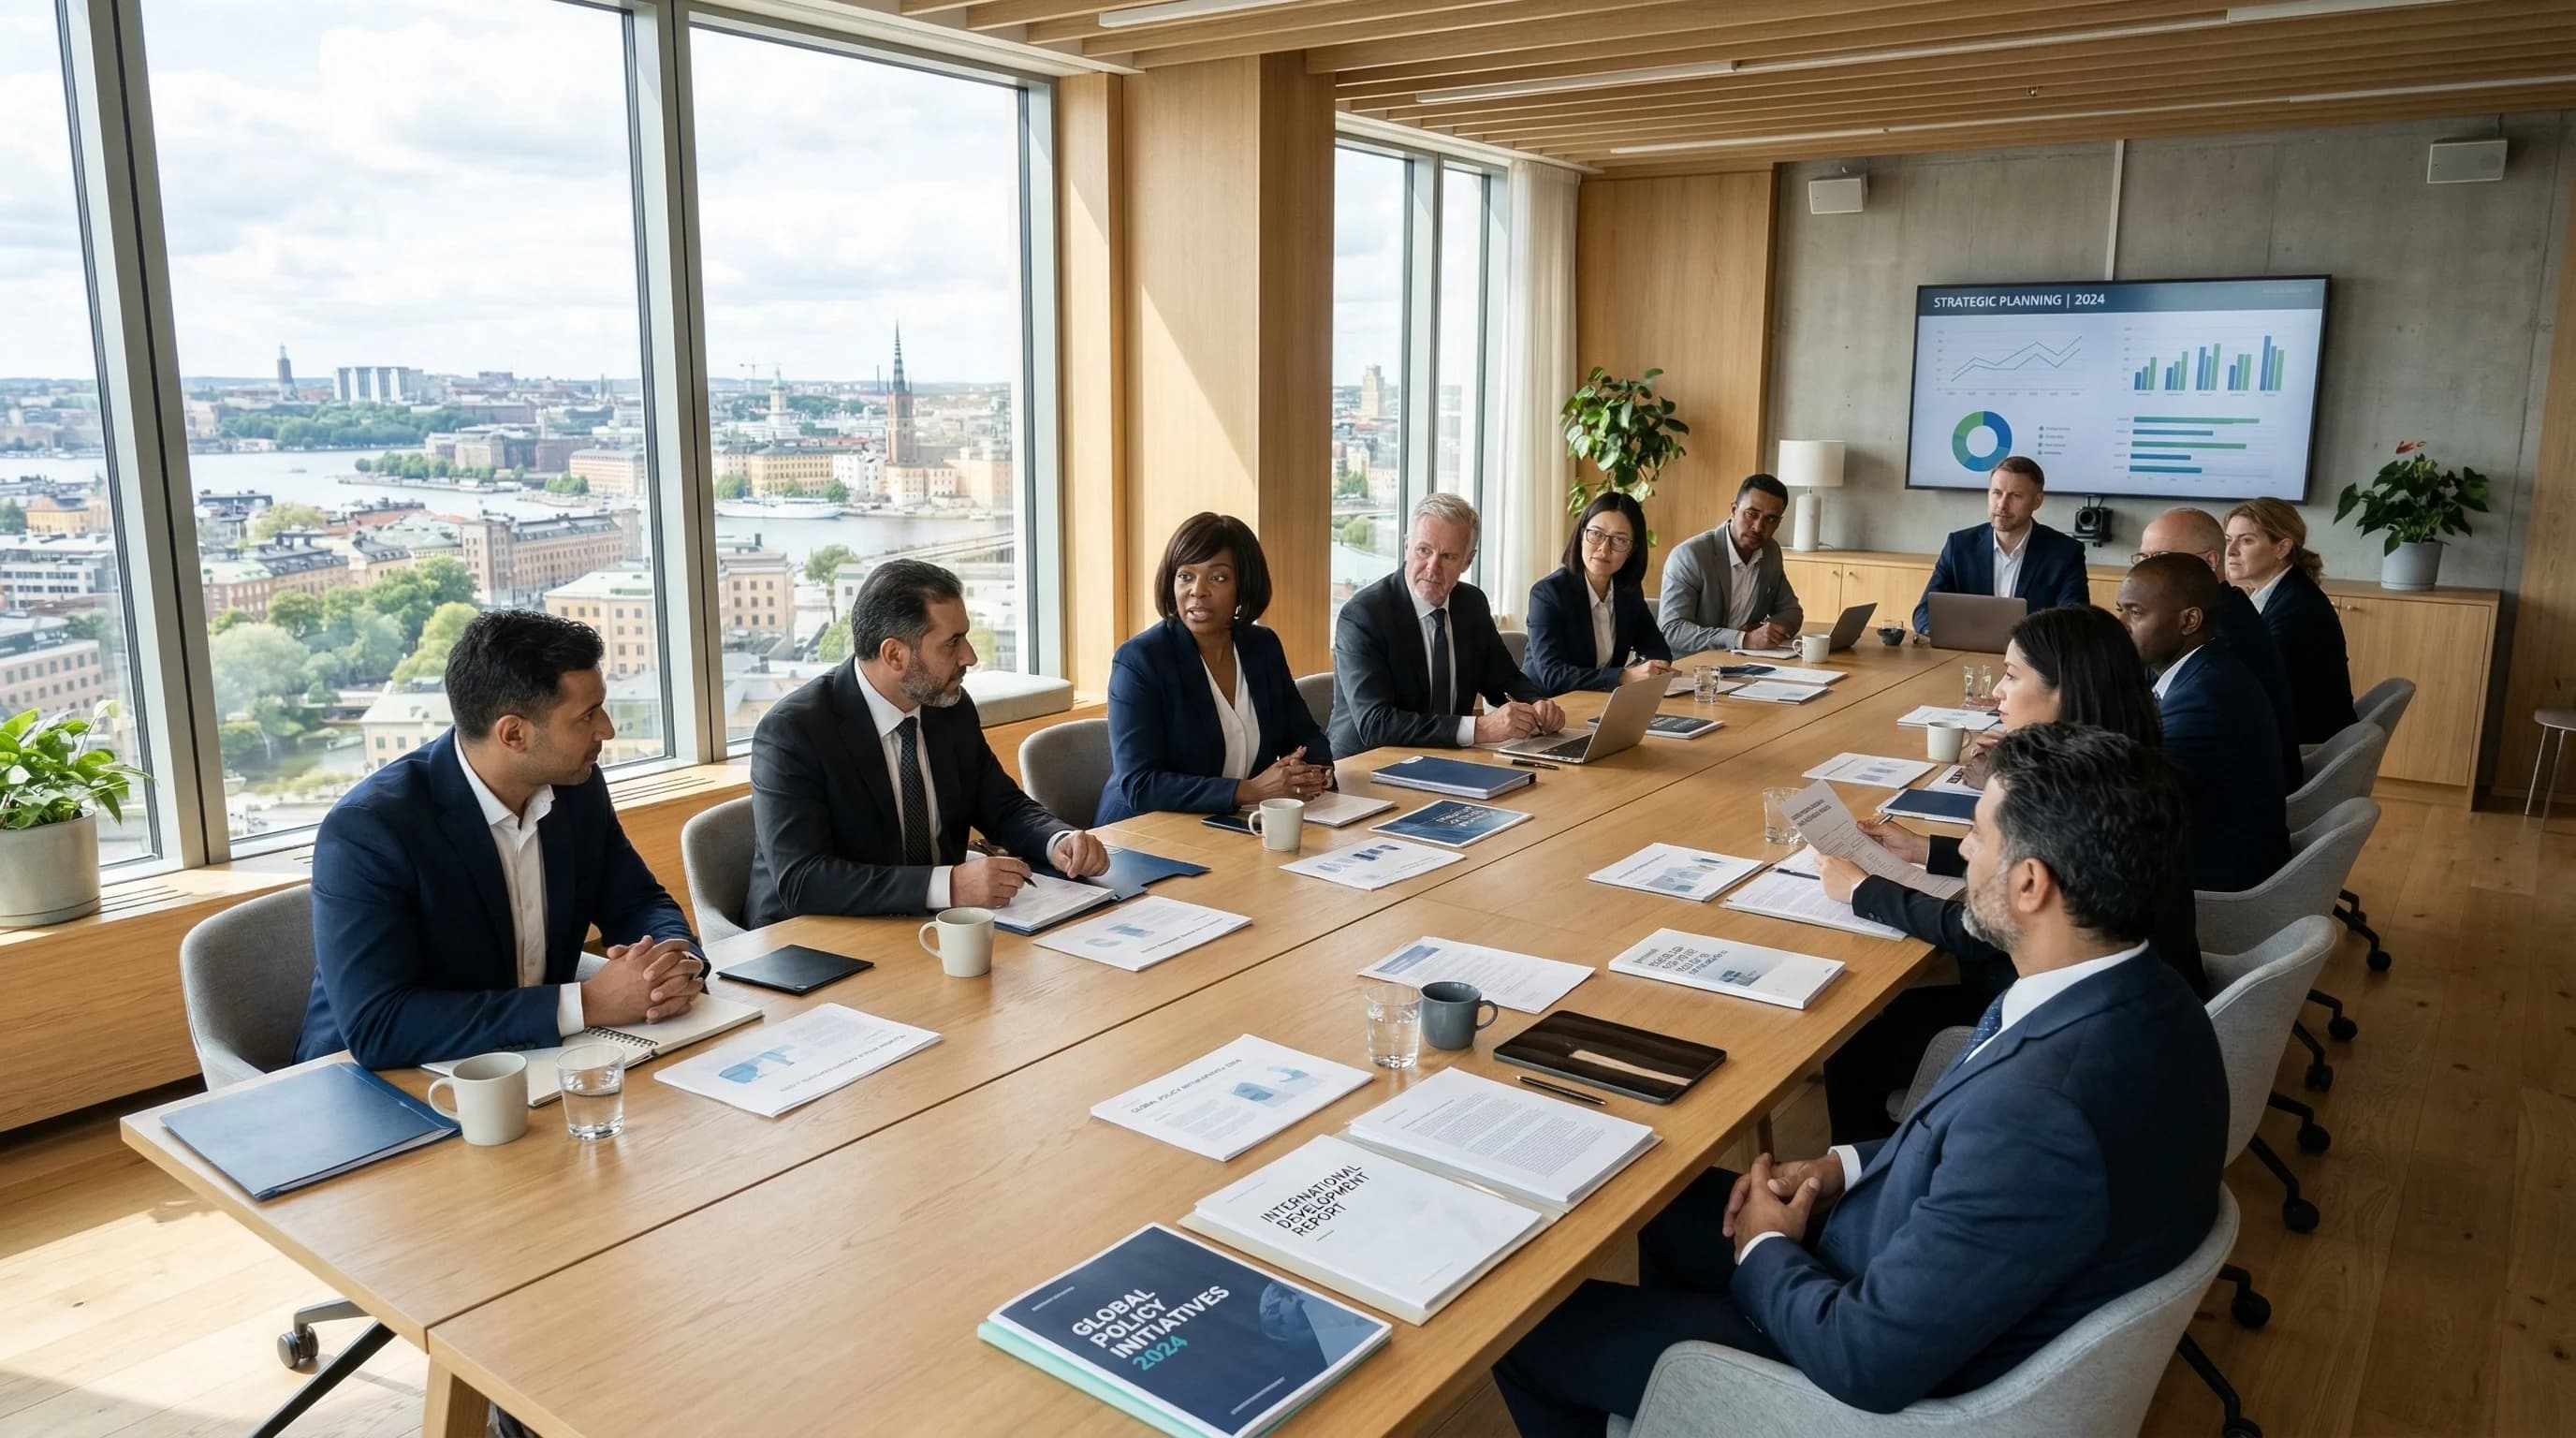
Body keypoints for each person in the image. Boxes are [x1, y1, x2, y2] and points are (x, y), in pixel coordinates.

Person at [1492, 725, 2228, 1435]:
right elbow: (1967, 1152)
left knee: (1525, 1332)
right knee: (1660, 1205)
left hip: (1867, 1376)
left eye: (1977, 834)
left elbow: (1864, 1358)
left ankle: (1712, 1388)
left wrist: (1766, 1251)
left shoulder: (2043, 1116)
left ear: (2031, 883)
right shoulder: (2144, 993)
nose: (1963, 851)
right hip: (1914, 1262)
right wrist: (1840, 1166)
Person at [1811, 606, 2208, 1144]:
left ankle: (1882, 1160)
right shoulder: (2122, 768)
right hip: (2129, 995)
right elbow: (2034, 865)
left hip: (2052, 1011)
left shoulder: (2083, 794)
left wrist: (1862, 890)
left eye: (2012, 675)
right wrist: (1926, 849)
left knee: (1857, 1031)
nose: (1997, 691)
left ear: (2065, 691)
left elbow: (1978, 931)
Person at [297, 609, 703, 1069]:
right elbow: (380, 1025)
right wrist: (586, 1003)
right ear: (514, 733)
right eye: (587, 715)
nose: (606, 730)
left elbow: (636, 903)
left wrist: (674, 964)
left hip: (527, 1059)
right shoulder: (370, 830)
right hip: (373, 1085)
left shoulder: (577, 787)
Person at [745, 559, 1110, 926]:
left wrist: (1057, 839)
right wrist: (948, 885)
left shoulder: (949, 706)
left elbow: (1002, 806)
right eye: (952, 643)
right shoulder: (793, 732)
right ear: (894, 655)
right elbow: (803, 879)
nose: (970, 656)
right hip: (811, 940)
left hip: (929, 926)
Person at [1097, 513, 1332, 824]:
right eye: (1185, 576)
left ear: (1243, 587)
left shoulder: (1262, 647)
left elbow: (1304, 736)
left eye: (1218, 577)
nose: (1198, 590)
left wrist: (1313, 774)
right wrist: (1249, 790)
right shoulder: (1141, 660)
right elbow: (1140, 785)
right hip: (1142, 832)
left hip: (1227, 825)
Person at [1327, 492, 1564, 756]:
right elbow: (1376, 724)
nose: (1432, 567)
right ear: (1406, 545)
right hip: (1367, 766)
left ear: (1468, 560)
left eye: (1448, 556)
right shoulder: (1364, 616)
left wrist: (1537, 703)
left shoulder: (1471, 604)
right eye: (1423, 550)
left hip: (1447, 759)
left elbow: (1504, 679)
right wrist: (1481, 729)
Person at [2117, 553, 2290, 893]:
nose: (2120, 623)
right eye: (2120, 610)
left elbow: (2126, 798)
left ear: (2189, 620)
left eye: (2135, 613)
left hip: (2214, 881)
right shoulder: (2198, 672)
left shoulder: (2205, 698)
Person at [2138, 506, 2300, 790]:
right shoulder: (2224, 607)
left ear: (2211, 561)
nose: (2145, 571)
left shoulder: (2217, 636)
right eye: (2143, 558)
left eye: (2160, 558)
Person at [1910, 456, 2090, 635]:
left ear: (2037, 501)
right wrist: (1937, 634)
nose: (2002, 505)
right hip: (1967, 655)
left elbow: (2074, 621)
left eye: (2016, 496)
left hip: (2032, 658)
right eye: (1997, 493)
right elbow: (1924, 611)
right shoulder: (1959, 546)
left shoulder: (2065, 553)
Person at [2227, 497, 2359, 741]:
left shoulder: (2297, 608)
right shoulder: (2282, 591)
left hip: (2305, 742)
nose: (2231, 550)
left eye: (2246, 540)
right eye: (2228, 539)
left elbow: (2255, 681)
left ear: (2282, 548)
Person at [1522, 491, 1676, 693]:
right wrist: (1624, 676)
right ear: (1581, 536)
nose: (1604, 549)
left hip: (1598, 701)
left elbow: (1658, 650)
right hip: (1545, 705)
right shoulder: (1548, 594)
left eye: (1619, 540)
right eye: (1596, 534)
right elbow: (1553, 675)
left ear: (1632, 551)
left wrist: (1649, 670)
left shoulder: (1627, 591)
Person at [1658, 475, 1805, 655]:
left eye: (1770, 519)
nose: (1758, 527)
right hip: (1691, 665)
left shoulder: (1770, 552)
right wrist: (1742, 639)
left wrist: (1767, 629)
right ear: (1734, 509)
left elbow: (1791, 611)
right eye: (1752, 514)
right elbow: (1672, 630)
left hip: (1743, 663)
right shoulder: (1691, 556)